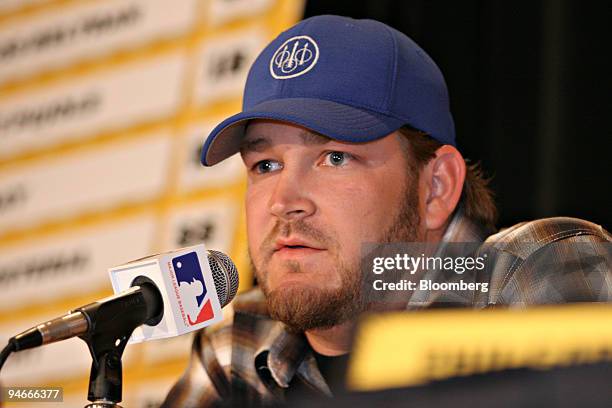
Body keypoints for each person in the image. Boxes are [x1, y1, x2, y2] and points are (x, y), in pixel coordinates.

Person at [162, 15, 611, 407]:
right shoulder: (238, 346)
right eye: (265, 165)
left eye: (335, 158)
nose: (283, 201)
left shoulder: (529, 273)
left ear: (435, 187)